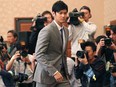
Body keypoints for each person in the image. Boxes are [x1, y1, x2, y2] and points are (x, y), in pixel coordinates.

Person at [33, 1, 70, 87]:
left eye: (65, 13)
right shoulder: (47, 30)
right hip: (46, 76)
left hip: (62, 75)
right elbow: (39, 55)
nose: (63, 16)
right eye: (60, 13)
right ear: (54, 13)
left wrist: (65, 72)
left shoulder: (66, 30)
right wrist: (54, 71)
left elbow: (62, 54)